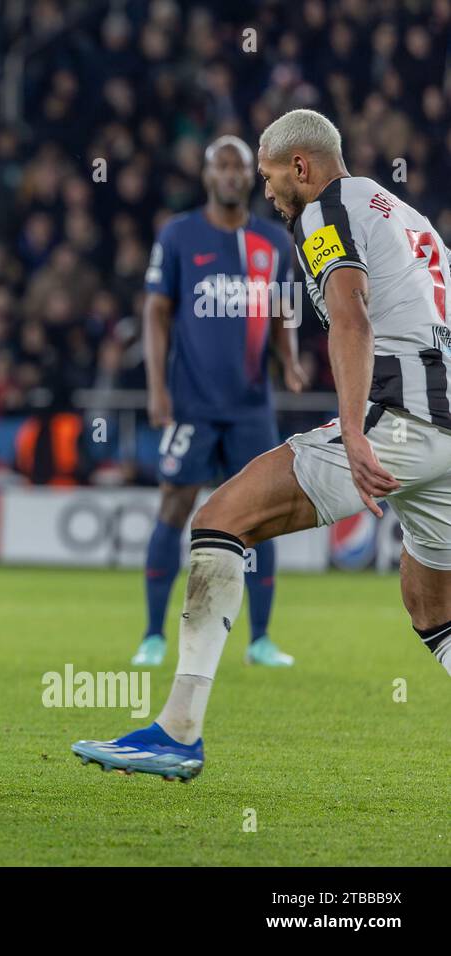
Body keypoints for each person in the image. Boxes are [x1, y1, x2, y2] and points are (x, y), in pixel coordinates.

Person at [74, 109, 451, 780]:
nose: (267, 193)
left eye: (271, 178)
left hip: (401, 422)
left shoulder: (321, 212)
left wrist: (357, 432)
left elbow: (352, 319)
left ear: (300, 167)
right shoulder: (400, 211)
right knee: (433, 605)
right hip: (446, 429)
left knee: (220, 518)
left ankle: (177, 731)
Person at [134, 135, 305, 670]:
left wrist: (292, 362)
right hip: (191, 405)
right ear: (207, 176)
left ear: (249, 176)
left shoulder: (274, 242)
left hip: (253, 405)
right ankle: (152, 636)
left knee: (261, 516)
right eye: (221, 166)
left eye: (238, 166)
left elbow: (284, 312)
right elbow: (156, 313)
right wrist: (157, 387)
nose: (230, 174)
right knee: (174, 507)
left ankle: (261, 639)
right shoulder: (179, 235)